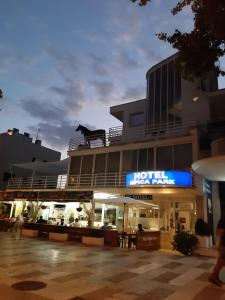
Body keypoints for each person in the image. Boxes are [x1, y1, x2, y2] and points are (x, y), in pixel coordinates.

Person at [209, 216, 225, 286]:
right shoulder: (223, 219)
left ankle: (215, 276)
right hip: (224, 244)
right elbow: (219, 232)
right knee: (221, 261)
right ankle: (213, 276)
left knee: (221, 261)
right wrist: (220, 244)